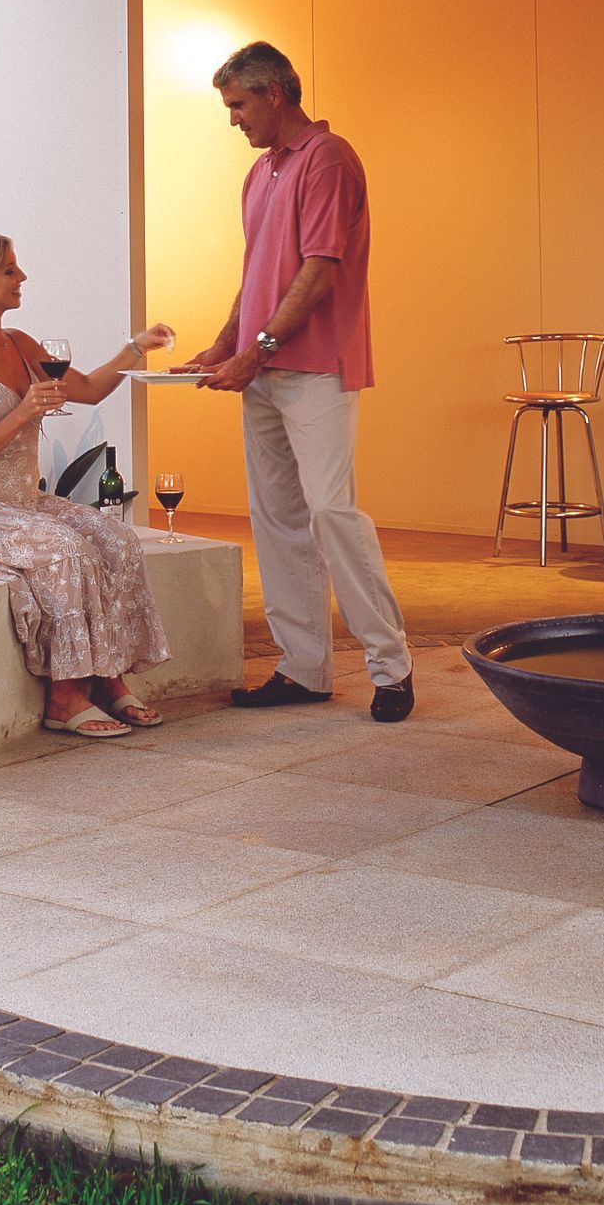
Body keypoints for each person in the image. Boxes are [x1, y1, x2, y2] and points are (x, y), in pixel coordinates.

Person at [181, 42, 413, 722]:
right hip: (261, 367)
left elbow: (320, 270)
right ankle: (303, 667)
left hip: (315, 368)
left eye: (238, 105)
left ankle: (390, 667)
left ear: (275, 93)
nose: (233, 120)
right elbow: (260, 272)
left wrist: (256, 348)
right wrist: (225, 344)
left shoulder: (329, 159)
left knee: (330, 511)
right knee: (278, 520)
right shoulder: (261, 174)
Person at [0, 226, 173, 740]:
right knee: (66, 551)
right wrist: (23, 411)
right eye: (9, 269)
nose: (21, 276)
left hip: (23, 502)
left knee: (115, 539)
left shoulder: (22, 345)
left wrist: (136, 347)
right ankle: (64, 695)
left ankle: (109, 676)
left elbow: (89, 389)